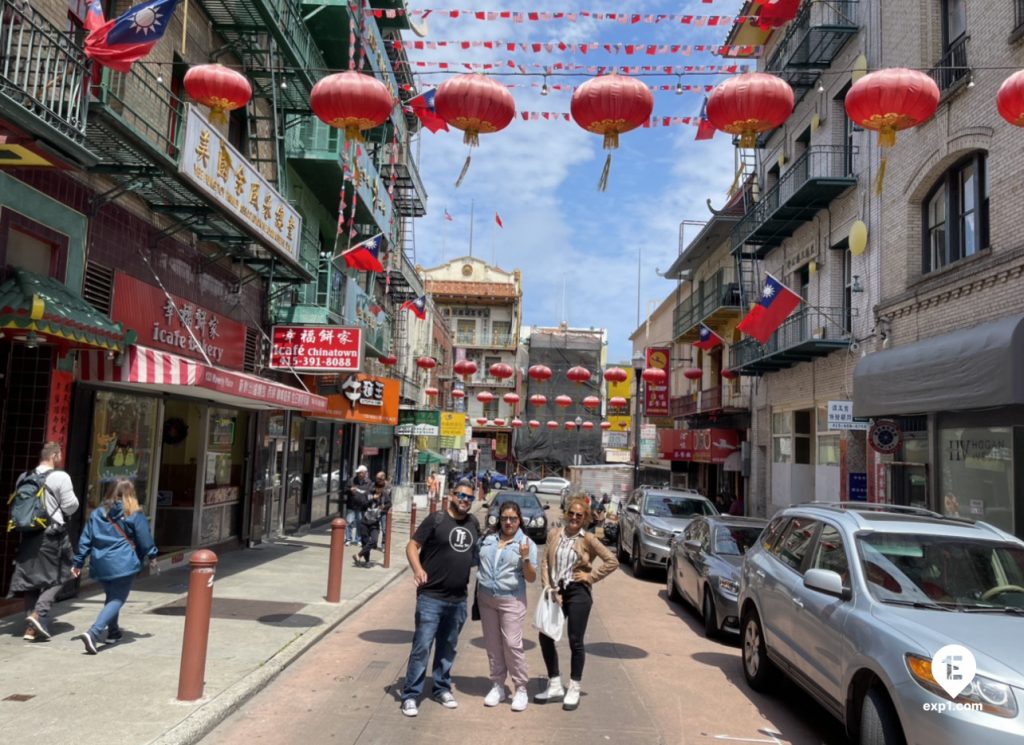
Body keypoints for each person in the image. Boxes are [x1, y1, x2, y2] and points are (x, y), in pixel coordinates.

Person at [399, 479, 481, 717]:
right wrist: (417, 569)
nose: (465, 500)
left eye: (469, 497)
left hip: (458, 598)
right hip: (431, 596)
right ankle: (410, 695)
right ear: (452, 495)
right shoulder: (436, 519)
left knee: (448, 647)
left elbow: (475, 555)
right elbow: (412, 545)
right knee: (422, 646)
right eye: (461, 496)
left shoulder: (474, 523)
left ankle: (441, 688)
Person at [536, 495, 619, 711]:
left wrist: (590, 577)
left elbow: (612, 561)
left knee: (575, 640)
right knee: (545, 635)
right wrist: (550, 588)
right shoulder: (555, 534)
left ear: (584, 519)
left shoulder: (588, 539)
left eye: (578, 515)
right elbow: (545, 562)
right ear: (566, 514)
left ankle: (574, 686)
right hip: (556, 591)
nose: (574, 517)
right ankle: (554, 683)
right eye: (571, 513)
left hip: (578, 591)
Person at [70, 478, 157, 653]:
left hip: (101, 562)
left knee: (111, 597)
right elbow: (145, 539)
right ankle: (93, 633)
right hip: (123, 563)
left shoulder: (97, 514)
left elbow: (86, 539)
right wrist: (153, 556)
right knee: (117, 599)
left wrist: (78, 562)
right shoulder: (134, 514)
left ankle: (114, 632)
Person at [9, 442, 80, 642]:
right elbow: (70, 506)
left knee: (32, 581)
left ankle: (32, 629)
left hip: (29, 533)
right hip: (52, 534)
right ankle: (38, 614)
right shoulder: (61, 476)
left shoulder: (24, 477)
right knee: (66, 572)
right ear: (55, 456)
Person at [477, 500, 538, 712]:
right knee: (493, 645)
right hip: (486, 598)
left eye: (513, 518)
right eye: (505, 518)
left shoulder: (527, 543)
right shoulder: (488, 539)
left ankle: (521, 687)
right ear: (499, 519)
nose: (509, 522)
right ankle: (497, 685)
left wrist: (526, 558)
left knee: (512, 644)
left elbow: (530, 578)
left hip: (511, 599)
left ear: (519, 520)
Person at [354, 472, 392, 566]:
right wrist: (372, 500)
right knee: (365, 542)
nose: (379, 490)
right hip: (365, 521)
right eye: (377, 488)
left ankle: (359, 555)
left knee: (374, 541)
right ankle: (367, 561)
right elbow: (362, 504)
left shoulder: (384, 495)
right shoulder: (369, 493)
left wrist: (383, 508)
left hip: (375, 523)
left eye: (381, 488)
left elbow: (389, 504)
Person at [347, 465, 371, 546]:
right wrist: (350, 490)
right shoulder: (352, 480)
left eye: (360, 473)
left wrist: (367, 503)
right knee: (349, 522)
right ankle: (348, 539)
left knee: (359, 523)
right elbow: (345, 490)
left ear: (364, 473)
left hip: (361, 507)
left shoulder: (368, 482)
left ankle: (358, 539)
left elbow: (370, 493)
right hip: (352, 505)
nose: (358, 474)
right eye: (358, 473)